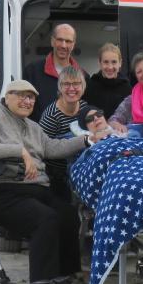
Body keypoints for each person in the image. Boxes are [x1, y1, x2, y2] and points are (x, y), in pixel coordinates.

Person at [0, 80, 98, 284]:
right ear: (7, 97)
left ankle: (61, 277)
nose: (27, 101)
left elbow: (52, 147)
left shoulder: (31, 126)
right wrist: (20, 151)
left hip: (29, 187)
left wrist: (86, 140)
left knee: (67, 214)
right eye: (21, 95)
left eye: (31, 97)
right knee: (45, 219)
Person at [38, 66, 89, 201]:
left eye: (76, 83)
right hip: (57, 176)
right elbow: (41, 148)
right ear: (60, 87)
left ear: (83, 87)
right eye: (66, 84)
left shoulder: (85, 108)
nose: (71, 88)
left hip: (82, 169)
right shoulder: (51, 115)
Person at [23, 23, 89, 122]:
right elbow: (24, 106)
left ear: (73, 45)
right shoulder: (32, 70)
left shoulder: (84, 76)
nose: (63, 45)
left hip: (72, 131)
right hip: (39, 130)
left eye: (68, 41)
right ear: (52, 41)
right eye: (60, 40)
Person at [107, 52, 143, 138]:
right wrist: (116, 124)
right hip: (133, 140)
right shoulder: (131, 99)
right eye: (139, 71)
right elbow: (113, 119)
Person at [82, 43, 131, 119]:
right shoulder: (90, 85)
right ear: (100, 63)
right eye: (106, 62)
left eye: (114, 62)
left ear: (120, 63)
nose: (110, 67)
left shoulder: (127, 87)